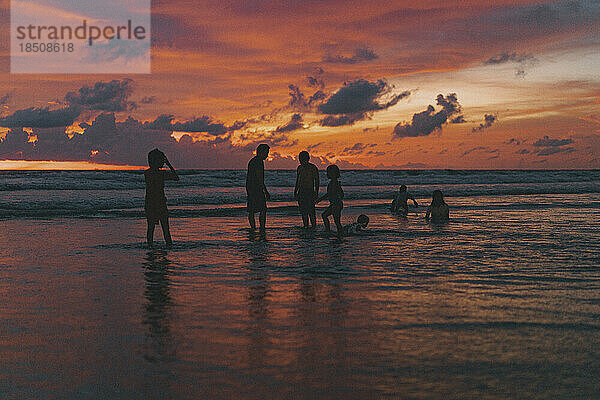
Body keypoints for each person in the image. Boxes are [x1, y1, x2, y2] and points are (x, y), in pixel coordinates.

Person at [145, 149, 179, 248]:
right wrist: (169, 164)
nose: (162, 162)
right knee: (164, 229)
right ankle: (168, 246)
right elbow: (176, 177)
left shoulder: (148, 173)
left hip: (151, 203)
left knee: (151, 228)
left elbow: (176, 178)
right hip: (158, 203)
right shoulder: (160, 174)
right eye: (161, 160)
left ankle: (150, 247)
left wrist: (167, 163)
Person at [246, 144, 271, 231]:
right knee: (263, 209)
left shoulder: (252, 161)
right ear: (261, 152)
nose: (267, 155)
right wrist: (265, 191)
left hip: (250, 188)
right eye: (266, 153)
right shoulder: (259, 162)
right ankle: (262, 228)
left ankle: (253, 228)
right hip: (256, 188)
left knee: (251, 210)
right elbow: (260, 177)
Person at [294, 151, 319, 229]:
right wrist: (295, 191)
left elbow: (317, 181)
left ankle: (314, 226)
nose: (301, 160)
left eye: (303, 158)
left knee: (311, 211)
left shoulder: (313, 167)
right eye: (300, 159)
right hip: (301, 191)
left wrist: (316, 192)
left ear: (308, 159)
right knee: (303, 211)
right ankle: (306, 225)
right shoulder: (299, 168)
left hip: (310, 191)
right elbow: (298, 180)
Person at [316, 165, 344, 236]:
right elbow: (342, 194)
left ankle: (335, 232)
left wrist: (320, 199)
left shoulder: (334, 182)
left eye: (329, 172)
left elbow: (329, 193)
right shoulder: (336, 182)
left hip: (336, 204)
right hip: (336, 203)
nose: (327, 174)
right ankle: (332, 231)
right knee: (326, 216)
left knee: (335, 221)